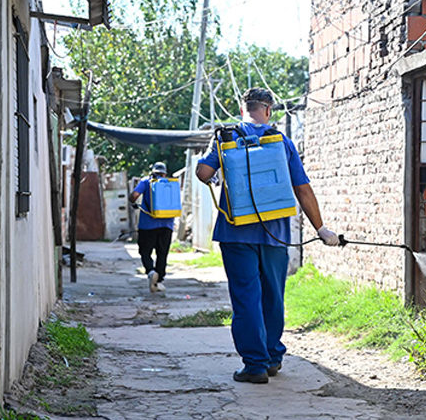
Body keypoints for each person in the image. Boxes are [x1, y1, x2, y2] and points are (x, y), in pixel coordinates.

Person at [196, 87, 340, 384]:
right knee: (273, 296)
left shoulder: (226, 137)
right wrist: (321, 229)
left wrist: (213, 156)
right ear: (268, 111)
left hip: (236, 235)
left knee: (246, 298)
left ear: (242, 109)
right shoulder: (281, 141)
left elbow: (202, 173)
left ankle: (255, 365)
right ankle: (273, 357)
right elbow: (302, 188)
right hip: (275, 235)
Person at [130, 161, 175, 294]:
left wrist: (132, 202)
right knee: (162, 253)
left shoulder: (146, 182)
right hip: (167, 225)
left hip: (147, 225)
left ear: (153, 172)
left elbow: (134, 196)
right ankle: (159, 280)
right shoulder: (171, 184)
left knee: (145, 251)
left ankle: (150, 272)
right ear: (165, 173)